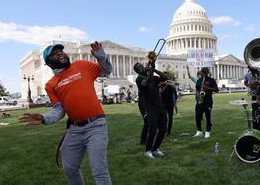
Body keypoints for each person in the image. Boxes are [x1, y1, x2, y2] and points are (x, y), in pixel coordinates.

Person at [19, 42, 113, 185]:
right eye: (56, 54)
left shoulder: (81, 65)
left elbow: (106, 71)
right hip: (74, 130)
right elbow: (58, 110)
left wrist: (101, 56)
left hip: (96, 126)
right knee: (69, 169)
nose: (61, 54)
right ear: (49, 62)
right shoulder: (51, 84)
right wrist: (44, 118)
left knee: (99, 170)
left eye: (61, 52)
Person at [134, 61, 168, 158]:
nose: (142, 67)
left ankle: (155, 148)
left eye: (142, 65)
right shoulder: (139, 79)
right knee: (153, 129)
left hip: (159, 105)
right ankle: (147, 150)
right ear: (137, 71)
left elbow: (165, 78)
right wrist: (151, 71)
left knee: (163, 128)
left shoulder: (152, 76)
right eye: (139, 67)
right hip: (150, 107)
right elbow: (147, 84)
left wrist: (154, 69)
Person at [193, 67, 218, 138]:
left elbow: (216, 89)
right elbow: (197, 89)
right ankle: (199, 131)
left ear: (207, 72)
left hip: (208, 101)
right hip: (200, 101)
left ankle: (208, 131)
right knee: (197, 116)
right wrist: (198, 97)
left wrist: (207, 88)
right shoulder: (199, 80)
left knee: (208, 117)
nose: (203, 73)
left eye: (204, 72)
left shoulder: (211, 80)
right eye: (202, 72)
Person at [244, 67, 260, 131]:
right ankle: (255, 129)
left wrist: (259, 83)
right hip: (254, 95)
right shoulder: (247, 75)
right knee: (254, 113)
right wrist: (250, 84)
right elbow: (245, 83)